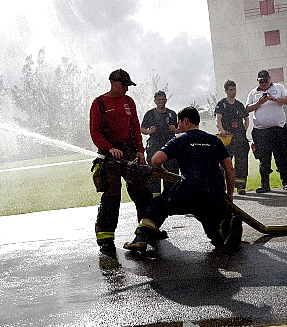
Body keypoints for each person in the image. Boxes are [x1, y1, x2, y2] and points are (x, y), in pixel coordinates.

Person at [123, 106, 242, 252]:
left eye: (179, 123)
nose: (178, 126)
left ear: (186, 121)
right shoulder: (214, 140)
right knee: (212, 226)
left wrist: (161, 169)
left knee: (157, 205)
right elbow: (229, 168)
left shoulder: (180, 140)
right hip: (214, 192)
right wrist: (229, 194)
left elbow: (155, 160)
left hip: (189, 191)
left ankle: (140, 238)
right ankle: (227, 227)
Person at [89, 69, 153, 257]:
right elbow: (95, 132)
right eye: (123, 85)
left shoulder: (129, 102)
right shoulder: (98, 103)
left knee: (142, 192)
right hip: (109, 156)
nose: (126, 89)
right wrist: (109, 148)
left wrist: (140, 151)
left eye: (127, 85)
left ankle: (148, 230)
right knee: (111, 195)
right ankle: (106, 239)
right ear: (112, 82)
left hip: (130, 152)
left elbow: (135, 127)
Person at [246, 70, 287, 193]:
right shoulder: (253, 93)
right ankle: (265, 184)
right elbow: (247, 109)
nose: (264, 84)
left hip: (278, 130)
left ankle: (286, 181)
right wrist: (259, 103)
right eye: (261, 81)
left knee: (282, 156)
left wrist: (274, 98)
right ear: (257, 81)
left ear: (270, 79)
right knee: (263, 158)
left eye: (266, 81)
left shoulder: (279, 87)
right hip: (261, 132)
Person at [141, 91, 179, 197]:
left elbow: (180, 129)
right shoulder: (150, 114)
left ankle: (170, 198)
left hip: (170, 146)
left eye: (163, 99)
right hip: (154, 147)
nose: (161, 102)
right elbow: (141, 129)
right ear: (155, 101)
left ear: (166, 100)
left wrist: (175, 130)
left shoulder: (172, 113)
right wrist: (149, 132)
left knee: (171, 173)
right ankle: (155, 198)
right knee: (154, 173)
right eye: (159, 100)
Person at [215, 80, 250, 195]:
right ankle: (223, 187)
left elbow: (246, 118)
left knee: (241, 163)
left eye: (234, 89)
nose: (233, 92)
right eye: (230, 90)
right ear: (225, 91)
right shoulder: (221, 104)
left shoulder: (239, 105)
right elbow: (218, 120)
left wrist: (244, 128)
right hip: (227, 139)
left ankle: (240, 187)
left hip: (240, 139)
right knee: (224, 163)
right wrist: (222, 130)